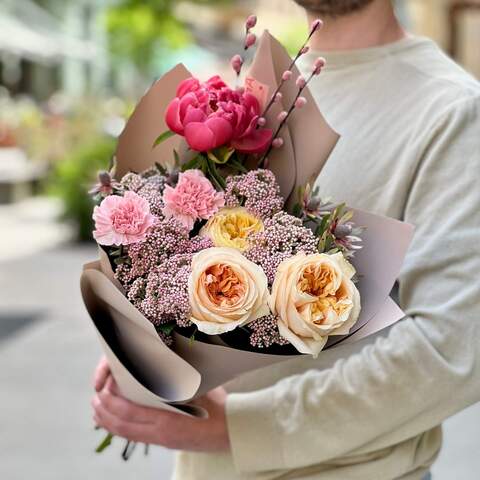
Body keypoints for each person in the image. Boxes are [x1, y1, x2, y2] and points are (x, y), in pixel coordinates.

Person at [91, 0, 480, 478]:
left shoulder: (453, 111)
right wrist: (143, 352)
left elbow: (452, 350)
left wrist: (239, 428)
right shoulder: (260, 89)